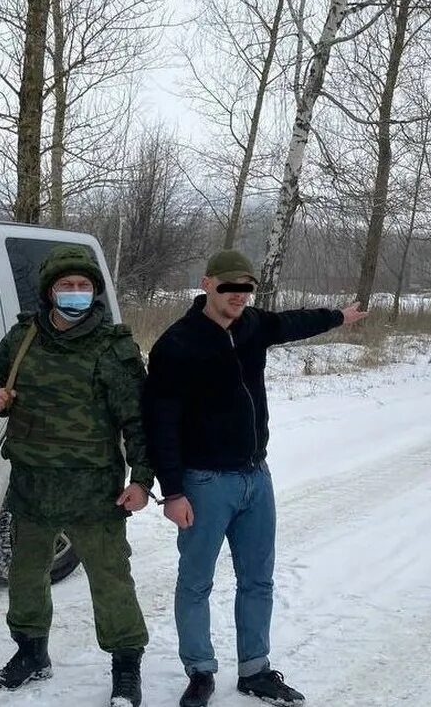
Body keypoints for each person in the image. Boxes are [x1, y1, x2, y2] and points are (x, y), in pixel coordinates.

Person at [143, 250, 366, 707]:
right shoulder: (177, 344)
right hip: (204, 483)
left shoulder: (252, 326)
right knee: (195, 583)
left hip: (255, 478)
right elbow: (160, 422)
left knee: (258, 580)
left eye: (247, 288)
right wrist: (173, 492)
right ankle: (200, 671)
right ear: (207, 284)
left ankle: (255, 671)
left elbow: (293, 322)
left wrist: (338, 317)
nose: (239, 296)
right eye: (229, 287)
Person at [0, 244, 153, 707]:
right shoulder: (23, 338)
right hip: (32, 484)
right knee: (26, 575)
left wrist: (141, 481)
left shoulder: (113, 348)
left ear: (94, 292)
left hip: (93, 490)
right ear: (49, 291)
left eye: (83, 286)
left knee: (110, 579)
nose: (75, 292)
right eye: (65, 285)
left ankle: (126, 667)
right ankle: (31, 654)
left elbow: (138, 422)